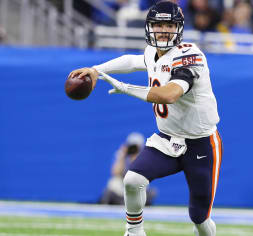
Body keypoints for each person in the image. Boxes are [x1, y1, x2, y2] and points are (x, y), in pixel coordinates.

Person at [68, 1, 223, 236]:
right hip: (168, 139)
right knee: (132, 179)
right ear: (149, 27)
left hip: (201, 143)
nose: (164, 30)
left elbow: (170, 95)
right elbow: (132, 61)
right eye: (159, 25)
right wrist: (96, 70)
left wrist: (126, 88)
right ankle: (134, 232)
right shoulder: (152, 52)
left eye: (170, 25)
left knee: (199, 218)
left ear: (179, 28)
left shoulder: (191, 55)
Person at [100, 132, 157, 206]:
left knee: (150, 190)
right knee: (113, 182)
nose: (133, 149)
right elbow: (115, 172)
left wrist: (137, 157)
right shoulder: (122, 156)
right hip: (122, 186)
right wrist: (122, 156)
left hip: (136, 187)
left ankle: (133, 203)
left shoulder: (144, 157)